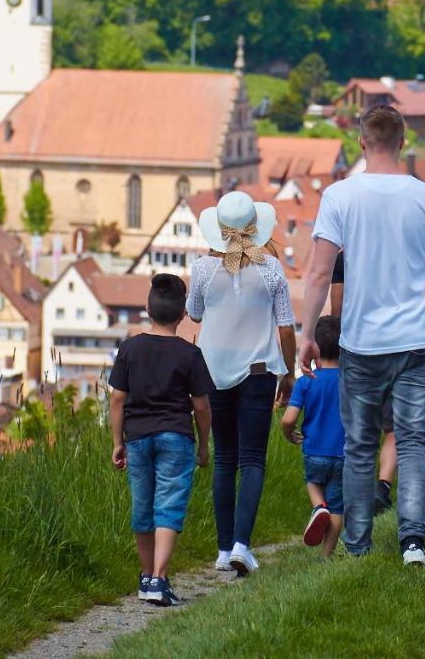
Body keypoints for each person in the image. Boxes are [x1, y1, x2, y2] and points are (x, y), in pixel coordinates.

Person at [299, 105, 425, 567]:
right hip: (417, 339)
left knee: (360, 443)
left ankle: (359, 544)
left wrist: (308, 333)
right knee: (412, 440)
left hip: (362, 341)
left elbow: (318, 272)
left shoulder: (340, 197)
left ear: (361, 142)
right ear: (404, 142)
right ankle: (412, 543)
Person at [189, 191, 297, 577]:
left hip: (214, 371)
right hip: (258, 371)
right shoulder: (271, 270)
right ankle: (241, 544)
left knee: (224, 459)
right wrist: (289, 371)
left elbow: (195, 314)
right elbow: (285, 327)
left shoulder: (201, 269)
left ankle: (222, 548)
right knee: (252, 459)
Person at [108, 274, 213, 607]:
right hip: (176, 437)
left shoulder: (130, 348)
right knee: (168, 505)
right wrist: (203, 443)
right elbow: (201, 406)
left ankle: (145, 576)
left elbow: (116, 399)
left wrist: (117, 441)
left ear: (147, 310)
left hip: (137, 437)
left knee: (143, 507)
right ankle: (159, 579)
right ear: (183, 314)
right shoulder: (190, 354)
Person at [331, 251, 396, 516]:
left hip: (357, 344)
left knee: (359, 430)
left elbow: (337, 308)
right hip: (395, 343)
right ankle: (382, 486)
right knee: (393, 429)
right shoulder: (397, 249)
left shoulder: (345, 257)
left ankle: (356, 497)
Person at [280, 315, 346, 559]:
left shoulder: (307, 380)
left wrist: (289, 434)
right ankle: (325, 556)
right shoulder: (349, 380)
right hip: (343, 454)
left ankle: (318, 507)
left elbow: (288, 419)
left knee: (314, 483)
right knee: (338, 508)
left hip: (313, 451)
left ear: (315, 345)